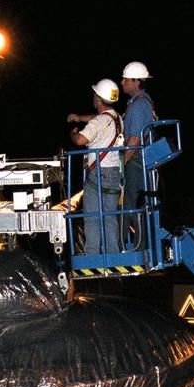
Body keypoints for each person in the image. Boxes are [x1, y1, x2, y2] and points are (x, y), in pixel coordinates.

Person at [67, 78, 124, 255]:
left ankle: (92, 255)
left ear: (98, 98)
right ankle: (113, 254)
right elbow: (98, 119)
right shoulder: (117, 119)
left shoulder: (98, 123)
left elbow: (80, 140)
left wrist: (73, 133)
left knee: (92, 217)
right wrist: (79, 117)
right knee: (109, 217)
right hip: (114, 173)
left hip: (97, 174)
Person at [119, 61, 156, 248]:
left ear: (137, 82)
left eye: (126, 79)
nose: (122, 82)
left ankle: (136, 247)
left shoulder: (139, 105)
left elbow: (134, 140)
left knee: (133, 205)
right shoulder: (138, 103)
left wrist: (121, 164)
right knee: (133, 204)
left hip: (135, 162)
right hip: (138, 161)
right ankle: (130, 245)